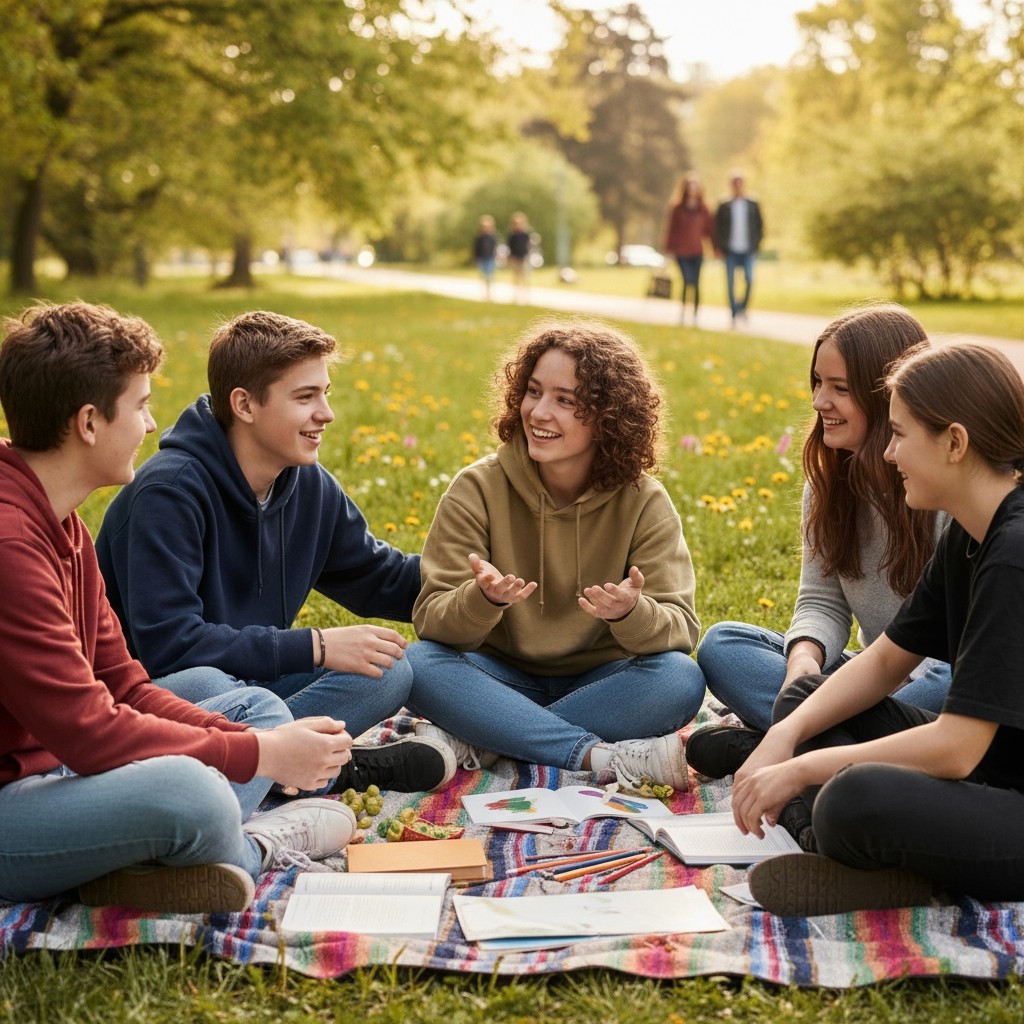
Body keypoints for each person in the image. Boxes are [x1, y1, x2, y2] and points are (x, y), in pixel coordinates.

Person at [0, 301, 357, 913]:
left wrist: (253, 739)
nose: (151, 421)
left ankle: (124, 863)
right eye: (139, 405)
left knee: (258, 712)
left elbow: (127, 686)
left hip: (54, 772)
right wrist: (259, 756)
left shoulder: (61, 523)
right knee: (196, 793)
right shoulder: (11, 546)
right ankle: (253, 848)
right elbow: (92, 732)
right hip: (16, 799)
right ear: (89, 422)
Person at [95, 310, 455, 795]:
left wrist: (473, 579)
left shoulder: (308, 485)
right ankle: (321, 770)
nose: (326, 413)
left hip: (259, 694)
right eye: (305, 397)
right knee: (204, 681)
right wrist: (317, 645)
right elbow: (171, 647)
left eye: (325, 393)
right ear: (244, 404)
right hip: (170, 703)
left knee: (386, 669)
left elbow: (381, 578)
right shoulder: (169, 491)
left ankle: (283, 772)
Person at [722, 342, 1024, 916]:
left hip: (1007, 797)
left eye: (901, 435)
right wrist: (782, 738)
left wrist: (800, 769)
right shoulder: (969, 532)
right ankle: (885, 866)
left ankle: (844, 846)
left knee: (850, 798)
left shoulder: (1014, 554)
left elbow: (956, 750)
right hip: (992, 772)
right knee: (808, 699)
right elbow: (886, 661)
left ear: (956, 443)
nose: (887, 453)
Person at [405, 319, 706, 792]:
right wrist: (482, 600)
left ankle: (488, 740)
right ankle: (594, 755)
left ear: (609, 416)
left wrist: (631, 612)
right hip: (498, 677)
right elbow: (432, 622)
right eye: (533, 391)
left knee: (680, 680)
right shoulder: (477, 488)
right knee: (419, 664)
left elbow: (681, 630)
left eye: (565, 400)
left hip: (605, 683)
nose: (539, 413)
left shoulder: (645, 501)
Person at [693, 306, 952, 760]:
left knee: (954, 680)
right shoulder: (828, 485)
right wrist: (802, 665)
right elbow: (821, 601)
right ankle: (831, 745)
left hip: (934, 682)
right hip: (867, 676)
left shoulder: (941, 489)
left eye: (839, 388)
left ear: (887, 395)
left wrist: (811, 708)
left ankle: (797, 743)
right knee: (724, 645)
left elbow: (961, 653)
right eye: (817, 382)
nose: (818, 401)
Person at [713, 170, 764, 327]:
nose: (737, 186)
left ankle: (742, 308)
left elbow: (760, 226)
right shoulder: (724, 204)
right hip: (730, 250)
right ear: (731, 185)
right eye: (735, 183)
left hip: (748, 250)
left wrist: (757, 244)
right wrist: (719, 247)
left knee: (749, 279)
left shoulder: (752, 204)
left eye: (740, 183)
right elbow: (717, 228)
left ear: (743, 184)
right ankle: (734, 313)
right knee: (730, 282)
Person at [663, 174, 714, 326]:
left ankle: (696, 315)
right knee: (686, 281)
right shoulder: (677, 208)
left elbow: (709, 230)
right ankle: (684, 313)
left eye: (695, 186)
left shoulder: (703, 208)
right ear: (685, 188)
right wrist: (668, 249)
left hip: (697, 251)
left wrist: (715, 247)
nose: (693, 189)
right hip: (682, 252)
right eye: (690, 185)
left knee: (696, 283)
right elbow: (671, 229)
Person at [506, 211, 532, 304]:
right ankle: (516, 296)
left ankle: (526, 296)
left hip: (524, 257)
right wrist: (509, 258)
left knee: (525, 277)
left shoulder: (526, 234)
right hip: (515, 258)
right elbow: (509, 247)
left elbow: (529, 246)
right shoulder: (512, 235)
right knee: (516, 277)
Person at [473, 214, 498, 301]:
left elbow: (495, 248)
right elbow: (476, 248)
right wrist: (476, 258)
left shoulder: (493, 237)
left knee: (490, 276)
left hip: (490, 258)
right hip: (482, 258)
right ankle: (484, 294)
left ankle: (489, 293)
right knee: (483, 276)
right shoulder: (479, 237)